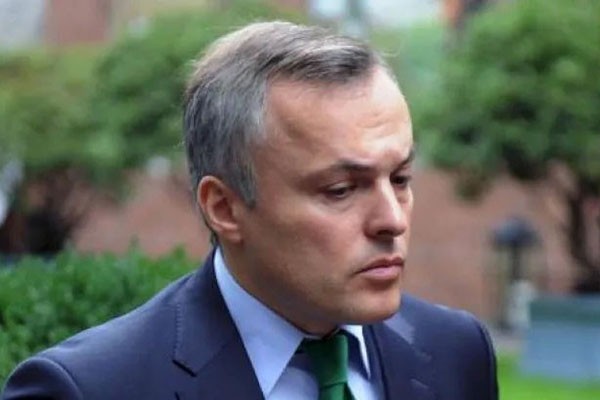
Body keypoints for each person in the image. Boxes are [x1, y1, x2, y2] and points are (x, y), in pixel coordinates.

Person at [2, 21, 498, 400]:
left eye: (401, 179)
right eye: (341, 190)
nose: (393, 219)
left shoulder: (457, 352)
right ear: (224, 208)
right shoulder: (88, 389)